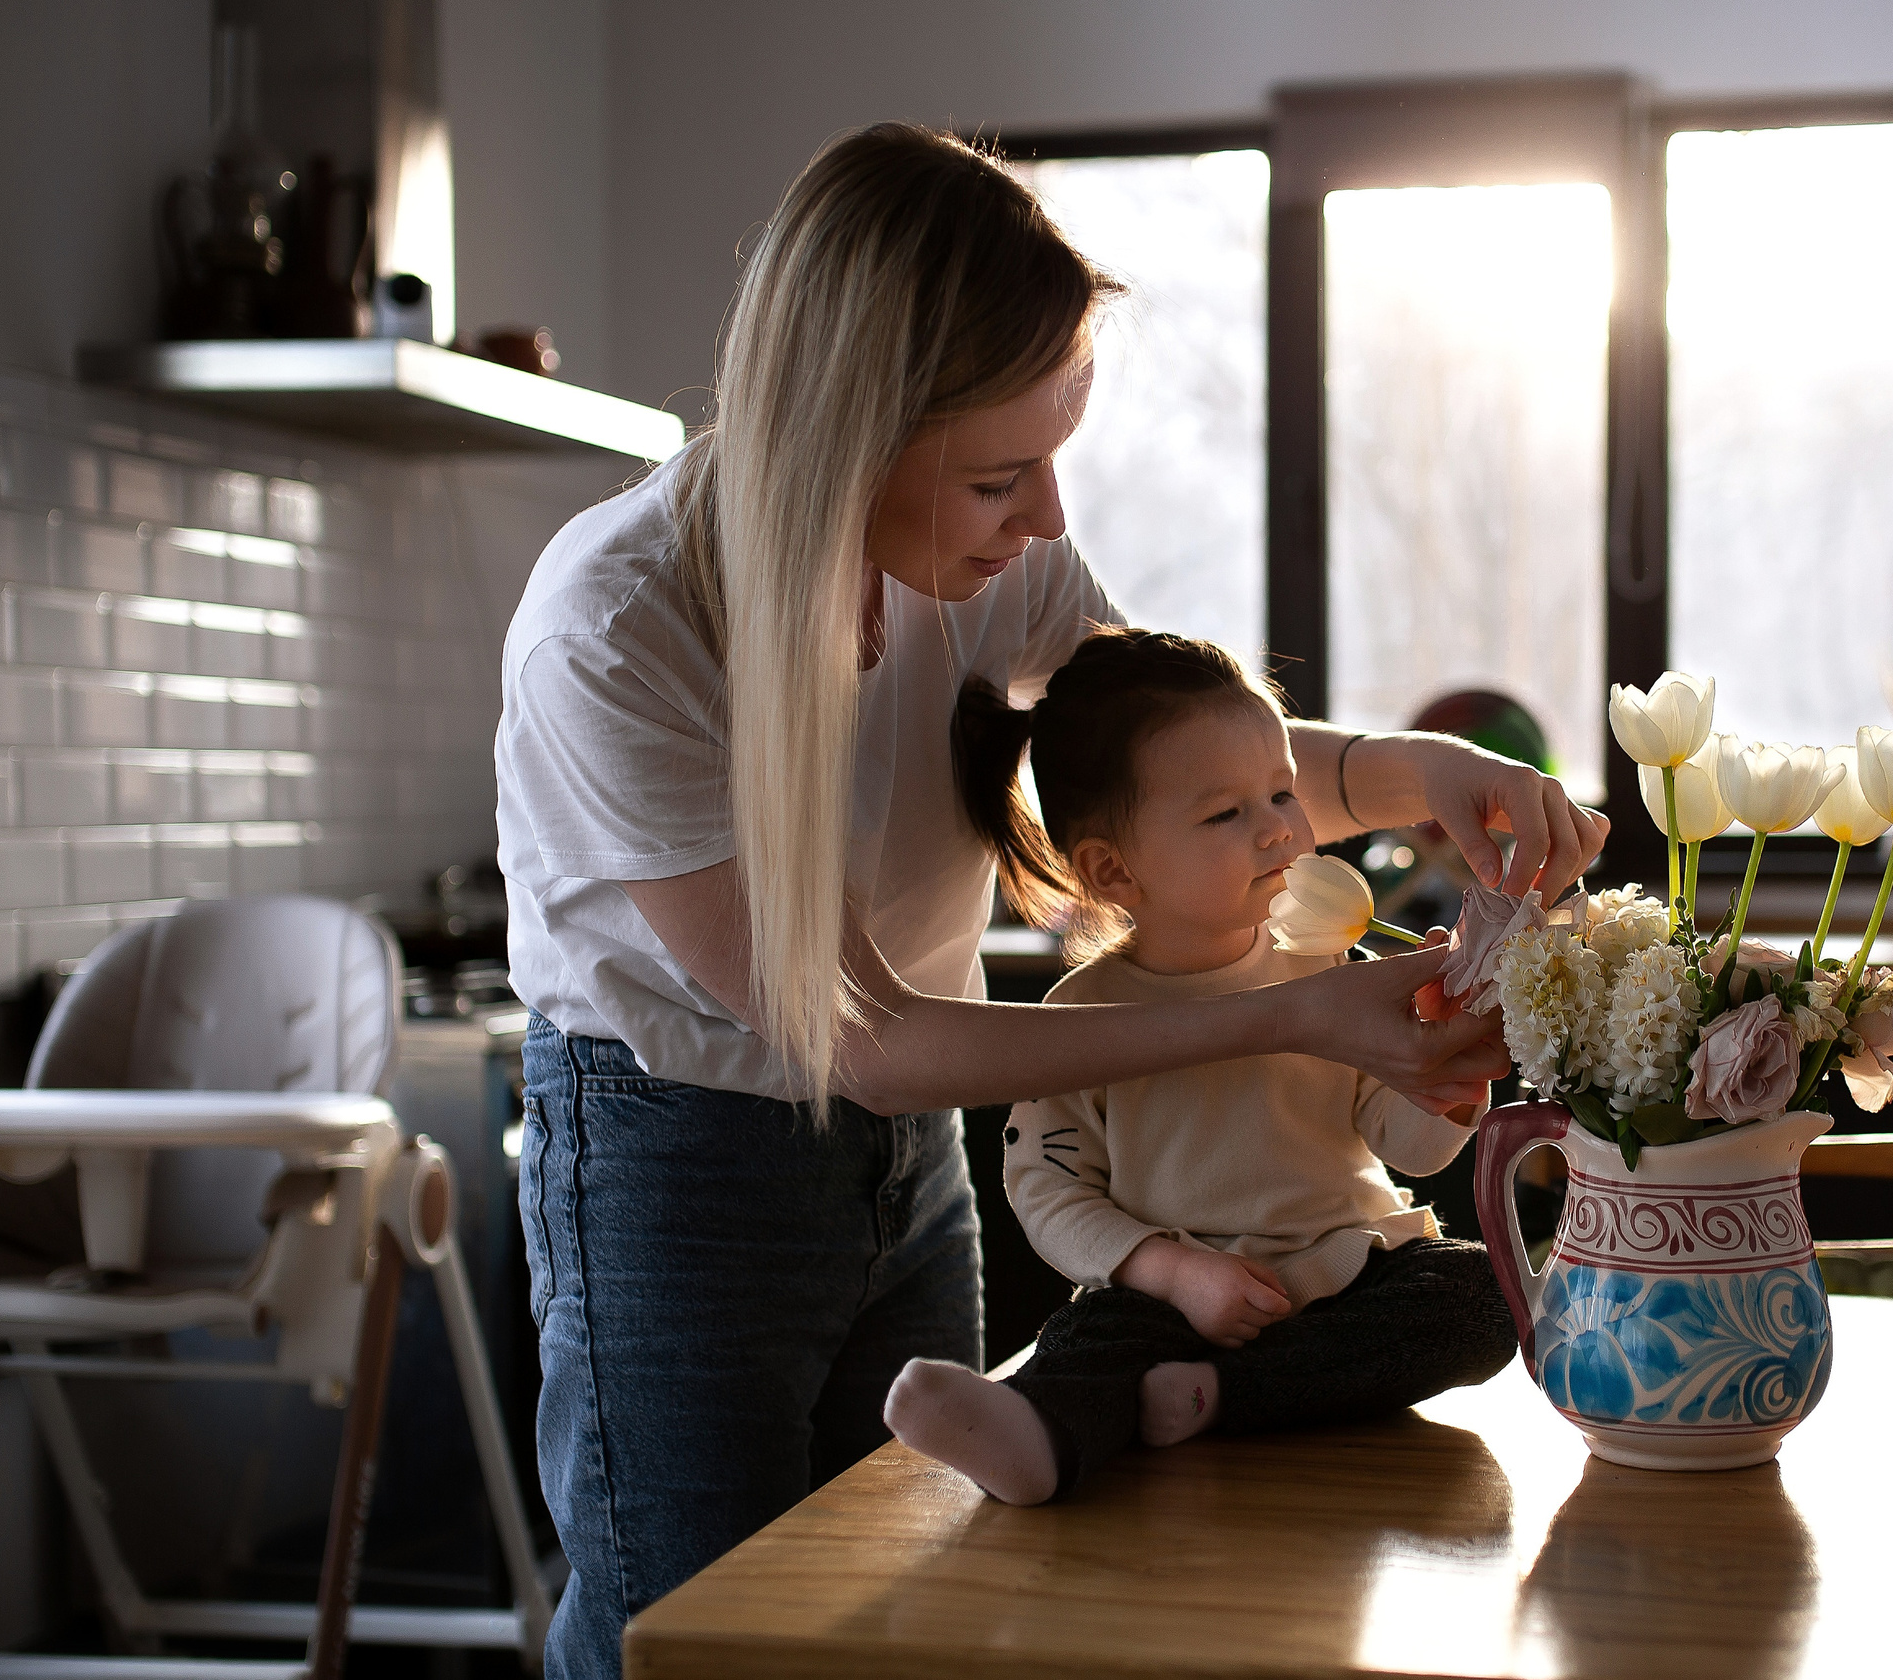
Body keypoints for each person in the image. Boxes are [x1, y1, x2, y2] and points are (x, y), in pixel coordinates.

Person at [495, 122, 1604, 1677]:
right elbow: (859, 1033)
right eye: (1002, 475)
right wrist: (1283, 1013)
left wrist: (1417, 773)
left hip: (908, 1164)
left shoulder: (988, 568)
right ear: (845, 434)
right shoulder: (620, 632)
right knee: (682, 1642)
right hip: (675, 1171)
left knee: (920, 1608)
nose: (1048, 521)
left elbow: (1184, 767)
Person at [884, 630, 1521, 1503]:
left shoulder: (1328, 966)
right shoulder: (1075, 1021)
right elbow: (1047, 1190)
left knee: (1482, 1293)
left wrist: (1451, 1083)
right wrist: (1171, 1272)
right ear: (1113, 869)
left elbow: (1408, 1151)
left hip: (1346, 1270)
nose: (1279, 831)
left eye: (1284, 794)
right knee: (1087, 1342)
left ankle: (1217, 1399)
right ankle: (1038, 1438)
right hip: (1170, 1307)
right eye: (1227, 814)